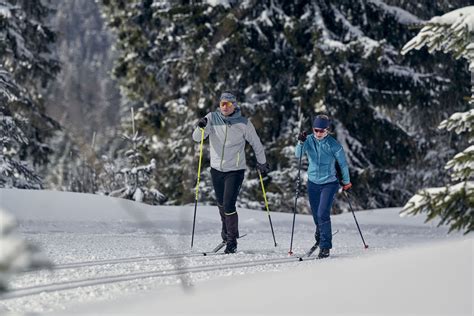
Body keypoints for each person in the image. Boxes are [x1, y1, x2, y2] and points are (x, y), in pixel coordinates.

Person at [192, 91, 269, 254]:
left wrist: (262, 162)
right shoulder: (212, 118)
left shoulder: (243, 123)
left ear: (234, 105)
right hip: (216, 169)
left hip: (235, 170)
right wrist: (200, 126)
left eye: (228, 103)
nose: (225, 107)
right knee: (220, 204)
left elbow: (256, 143)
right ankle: (226, 231)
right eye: (222, 104)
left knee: (228, 204)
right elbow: (197, 138)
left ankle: (232, 240)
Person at [295, 114, 352, 259]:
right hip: (313, 182)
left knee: (322, 214)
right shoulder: (308, 140)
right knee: (316, 215)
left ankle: (325, 246)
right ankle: (320, 233)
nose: (318, 133)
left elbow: (343, 165)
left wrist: (346, 182)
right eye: (316, 130)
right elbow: (298, 155)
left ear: (327, 130)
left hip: (329, 183)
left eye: (322, 130)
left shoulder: (334, 145)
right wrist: (300, 143)